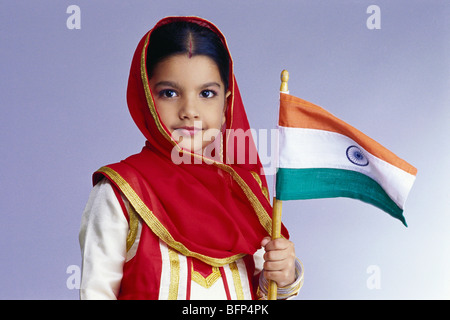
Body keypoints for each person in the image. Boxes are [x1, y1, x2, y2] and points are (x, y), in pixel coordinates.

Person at [79, 16, 303, 300]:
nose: (190, 110)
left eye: (207, 93)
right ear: (147, 97)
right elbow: (96, 293)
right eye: (169, 93)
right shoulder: (120, 193)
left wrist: (282, 279)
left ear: (226, 105)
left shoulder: (244, 194)